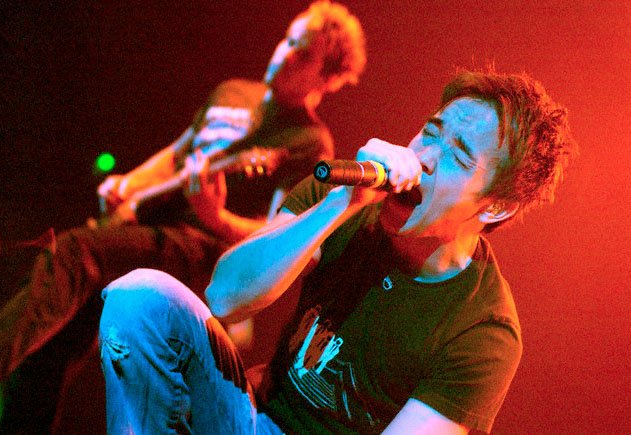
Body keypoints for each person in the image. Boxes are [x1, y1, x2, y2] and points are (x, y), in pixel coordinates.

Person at [99, 68, 578, 433]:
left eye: (458, 155)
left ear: (496, 206)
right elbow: (226, 297)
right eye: (430, 133)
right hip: (247, 416)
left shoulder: (483, 331)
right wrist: (339, 205)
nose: (426, 157)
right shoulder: (341, 198)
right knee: (142, 298)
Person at [0, 1, 366, 431]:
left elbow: (276, 234)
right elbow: (178, 154)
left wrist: (217, 217)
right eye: (288, 40)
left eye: (303, 53)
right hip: (154, 227)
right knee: (59, 336)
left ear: (327, 78)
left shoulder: (309, 142)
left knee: (77, 252)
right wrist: (129, 184)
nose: (285, 54)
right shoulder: (233, 91)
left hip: (203, 251)